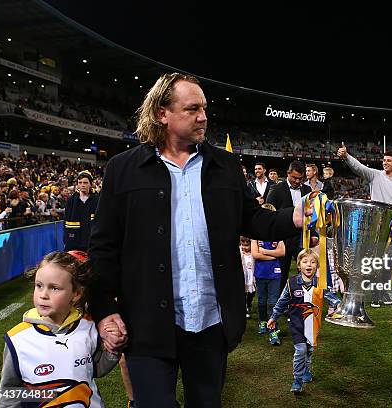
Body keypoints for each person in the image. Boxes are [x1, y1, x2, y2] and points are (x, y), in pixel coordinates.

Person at [88, 72, 308, 408]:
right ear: (162, 113)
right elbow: (103, 246)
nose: (203, 117)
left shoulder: (226, 165)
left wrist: (291, 218)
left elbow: (253, 218)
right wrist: (104, 310)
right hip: (146, 324)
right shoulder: (124, 169)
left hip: (210, 321)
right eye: (192, 109)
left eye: (204, 108)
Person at [0, 251, 121, 408]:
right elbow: (8, 392)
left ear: (76, 293)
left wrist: (113, 350)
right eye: (39, 286)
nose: (43, 295)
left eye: (54, 288)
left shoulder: (88, 327)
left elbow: (94, 369)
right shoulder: (17, 339)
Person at [337, 144, 392, 307]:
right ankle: (375, 295)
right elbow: (359, 168)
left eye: (388, 161)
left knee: (389, 262)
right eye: (384, 160)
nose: (385, 163)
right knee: (376, 261)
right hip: (375, 225)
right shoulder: (376, 175)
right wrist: (347, 156)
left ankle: (382, 292)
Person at [267, 249, 342, 394]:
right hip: (297, 324)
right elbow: (282, 302)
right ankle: (297, 379)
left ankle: (307, 368)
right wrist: (273, 317)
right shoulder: (292, 283)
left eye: (313, 262)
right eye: (305, 261)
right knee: (300, 350)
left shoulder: (320, 284)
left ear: (317, 266)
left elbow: (332, 297)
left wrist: (339, 304)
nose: (309, 265)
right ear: (299, 265)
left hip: (313, 324)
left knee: (309, 350)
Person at [266, 160, 312, 292]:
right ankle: (280, 302)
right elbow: (270, 213)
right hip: (282, 237)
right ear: (288, 173)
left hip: (302, 237)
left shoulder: (307, 190)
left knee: (305, 270)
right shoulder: (276, 189)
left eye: (300, 179)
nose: (297, 181)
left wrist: (313, 235)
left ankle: (302, 300)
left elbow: (311, 215)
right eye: (295, 178)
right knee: (282, 272)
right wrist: (273, 237)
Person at [252, 203, 286, 345]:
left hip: (275, 274)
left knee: (273, 301)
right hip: (260, 273)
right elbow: (255, 254)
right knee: (261, 300)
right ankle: (262, 321)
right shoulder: (255, 234)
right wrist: (273, 255)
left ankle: (273, 329)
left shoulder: (278, 233)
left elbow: (282, 252)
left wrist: (264, 252)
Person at [64, 171, 99, 251]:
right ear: (77, 184)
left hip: (92, 242)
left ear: (90, 184)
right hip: (74, 242)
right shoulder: (71, 200)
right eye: (80, 182)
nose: (82, 185)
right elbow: (66, 221)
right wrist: (66, 240)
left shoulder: (97, 200)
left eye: (85, 182)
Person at [240, 236, 255, 319]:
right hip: (243, 277)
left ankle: (249, 304)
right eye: (243, 244)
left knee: (251, 293)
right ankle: (244, 308)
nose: (245, 247)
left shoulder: (253, 253)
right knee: (243, 293)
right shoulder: (240, 253)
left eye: (247, 245)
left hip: (251, 277)